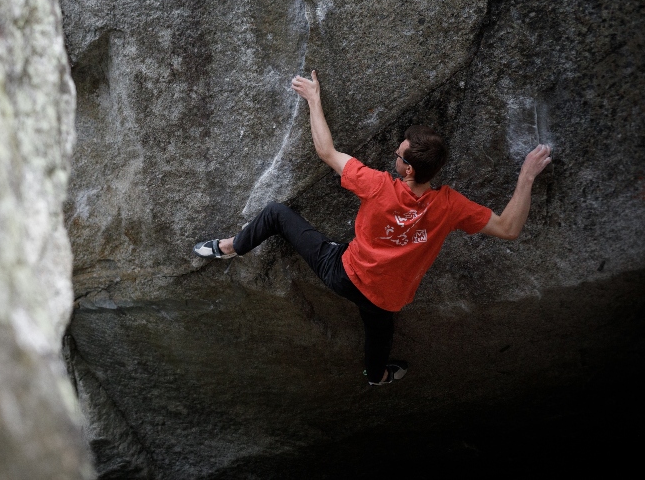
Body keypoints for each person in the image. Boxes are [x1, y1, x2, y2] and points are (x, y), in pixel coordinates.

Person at [194, 70, 553, 385]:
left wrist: (314, 100)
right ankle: (376, 376)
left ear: (408, 169)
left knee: (275, 213)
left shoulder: (378, 185)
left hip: (345, 274)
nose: (394, 157)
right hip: (387, 298)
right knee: (379, 334)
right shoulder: (450, 206)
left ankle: (230, 248)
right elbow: (508, 228)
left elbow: (326, 151)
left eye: (399, 155)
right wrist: (526, 177)